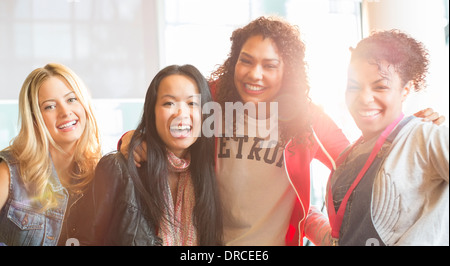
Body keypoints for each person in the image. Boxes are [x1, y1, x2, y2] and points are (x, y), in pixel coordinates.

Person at [120, 16, 444, 246]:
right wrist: (135, 140)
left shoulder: (306, 119)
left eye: (270, 65)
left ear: (286, 71)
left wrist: (407, 129)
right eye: (246, 61)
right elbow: (167, 123)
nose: (254, 75)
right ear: (234, 61)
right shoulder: (212, 99)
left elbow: (360, 163)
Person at [319, 30, 449, 246]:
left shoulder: (423, 136)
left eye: (380, 86)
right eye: (354, 86)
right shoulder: (348, 156)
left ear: (406, 90)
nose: (364, 98)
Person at [91, 64, 223, 246]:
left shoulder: (213, 171)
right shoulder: (119, 170)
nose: (180, 114)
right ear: (152, 112)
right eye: (169, 103)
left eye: (192, 103)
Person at [0, 63, 102, 246]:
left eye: (71, 100)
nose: (65, 112)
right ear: (34, 119)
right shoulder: (8, 173)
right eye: (50, 107)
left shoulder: (101, 172)